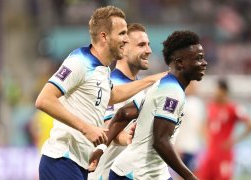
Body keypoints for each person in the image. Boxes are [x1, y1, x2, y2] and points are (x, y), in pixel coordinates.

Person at [35, 6, 165, 180]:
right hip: (61, 158)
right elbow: (44, 100)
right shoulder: (79, 61)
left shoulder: (103, 70)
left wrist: (153, 80)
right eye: (122, 34)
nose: (126, 40)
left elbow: (112, 95)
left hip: (79, 163)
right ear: (104, 36)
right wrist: (86, 128)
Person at [89, 30, 207, 180]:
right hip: (135, 173)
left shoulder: (159, 86)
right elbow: (160, 141)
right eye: (199, 58)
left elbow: (124, 114)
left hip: (152, 172)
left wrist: (101, 148)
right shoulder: (171, 91)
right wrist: (190, 177)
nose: (204, 63)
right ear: (180, 63)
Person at [88, 23, 152, 180]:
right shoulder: (111, 85)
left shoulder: (137, 87)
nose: (149, 50)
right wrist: (135, 139)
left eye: (148, 45)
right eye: (141, 45)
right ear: (123, 48)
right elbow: (106, 130)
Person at [196, 79, 251, 180]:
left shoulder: (233, 108)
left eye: (216, 90)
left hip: (224, 154)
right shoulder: (211, 106)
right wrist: (206, 138)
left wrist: (234, 141)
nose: (214, 93)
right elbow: (203, 124)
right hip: (210, 154)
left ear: (223, 91)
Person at [174, 81, 205, 172]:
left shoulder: (198, 103)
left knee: (194, 174)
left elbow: (201, 125)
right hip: (182, 147)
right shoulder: (181, 102)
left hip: (194, 147)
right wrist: (176, 146)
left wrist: (205, 144)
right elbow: (176, 126)